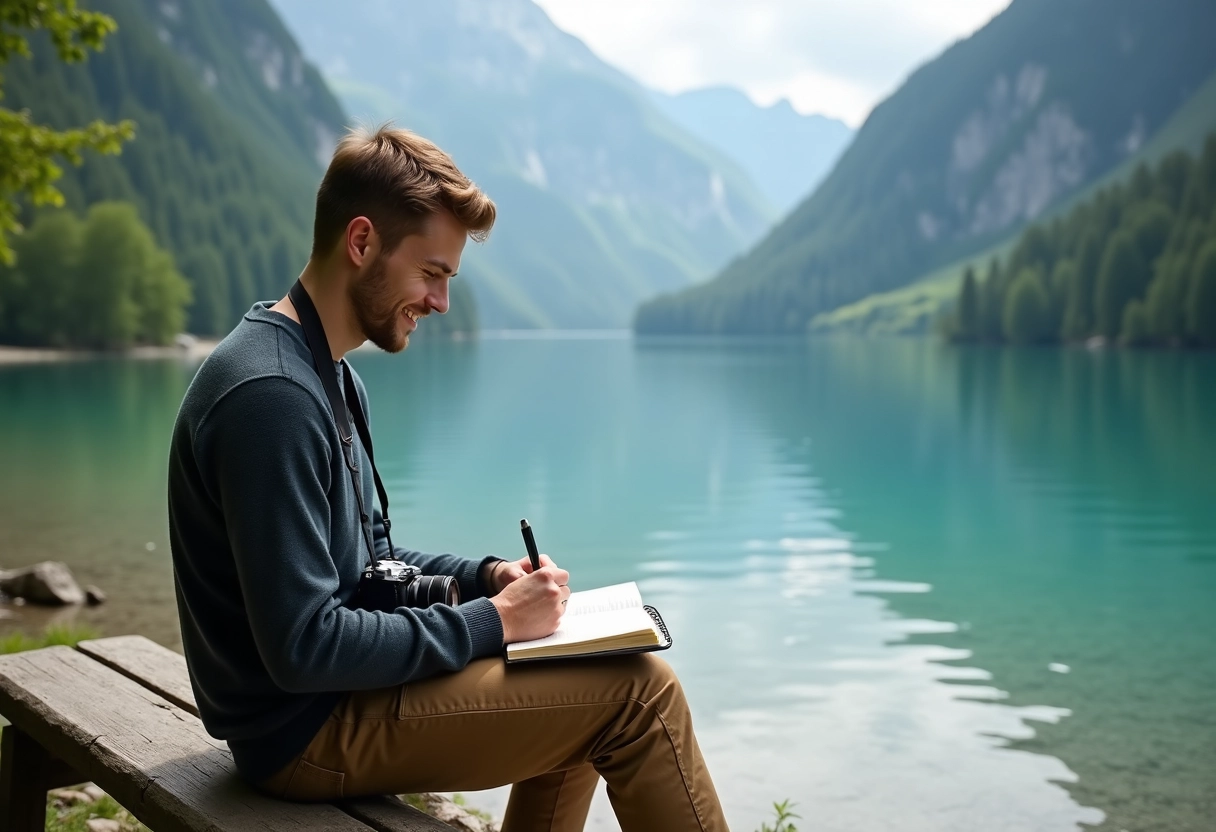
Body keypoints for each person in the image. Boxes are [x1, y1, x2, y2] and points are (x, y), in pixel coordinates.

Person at [167, 125, 729, 832]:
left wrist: (484, 576)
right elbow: (305, 648)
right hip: (302, 733)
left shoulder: (324, 375)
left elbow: (371, 557)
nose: (441, 302)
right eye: (432, 273)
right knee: (641, 695)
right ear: (362, 242)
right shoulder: (271, 397)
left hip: (322, 707)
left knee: (592, 677)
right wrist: (495, 623)